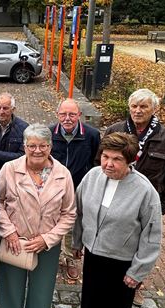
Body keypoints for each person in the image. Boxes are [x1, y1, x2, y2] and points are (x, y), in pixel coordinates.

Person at [71, 132, 162, 308]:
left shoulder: (144, 191)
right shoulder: (92, 177)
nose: (108, 164)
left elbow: (152, 234)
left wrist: (138, 270)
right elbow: (79, 212)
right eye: (105, 157)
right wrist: (78, 242)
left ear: (130, 161)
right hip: (94, 253)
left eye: (116, 159)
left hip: (122, 261)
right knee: (91, 299)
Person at [103, 88, 165, 305]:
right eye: (134, 106)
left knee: (140, 247)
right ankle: (106, 283)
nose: (138, 111)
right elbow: (99, 164)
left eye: (143, 106)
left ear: (154, 109)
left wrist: (160, 207)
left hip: (145, 207)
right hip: (114, 201)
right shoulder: (114, 130)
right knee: (110, 242)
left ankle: (135, 284)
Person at [0, 124, 76, 308]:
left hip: (46, 242)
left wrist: (48, 239)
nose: (37, 150)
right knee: (11, 283)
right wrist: (9, 231)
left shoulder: (63, 174)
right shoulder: (9, 169)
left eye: (43, 146)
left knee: (43, 285)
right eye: (32, 146)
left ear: (50, 146)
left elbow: (69, 213)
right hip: (16, 239)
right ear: (24, 146)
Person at [51, 99, 100, 281]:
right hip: (54, 190)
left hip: (79, 189)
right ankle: (53, 258)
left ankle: (71, 258)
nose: (67, 118)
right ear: (58, 115)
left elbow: (97, 164)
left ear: (79, 115)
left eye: (72, 114)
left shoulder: (92, 135)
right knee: (52, 223)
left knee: (73, 225)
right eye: (63, 114)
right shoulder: (49, 133)